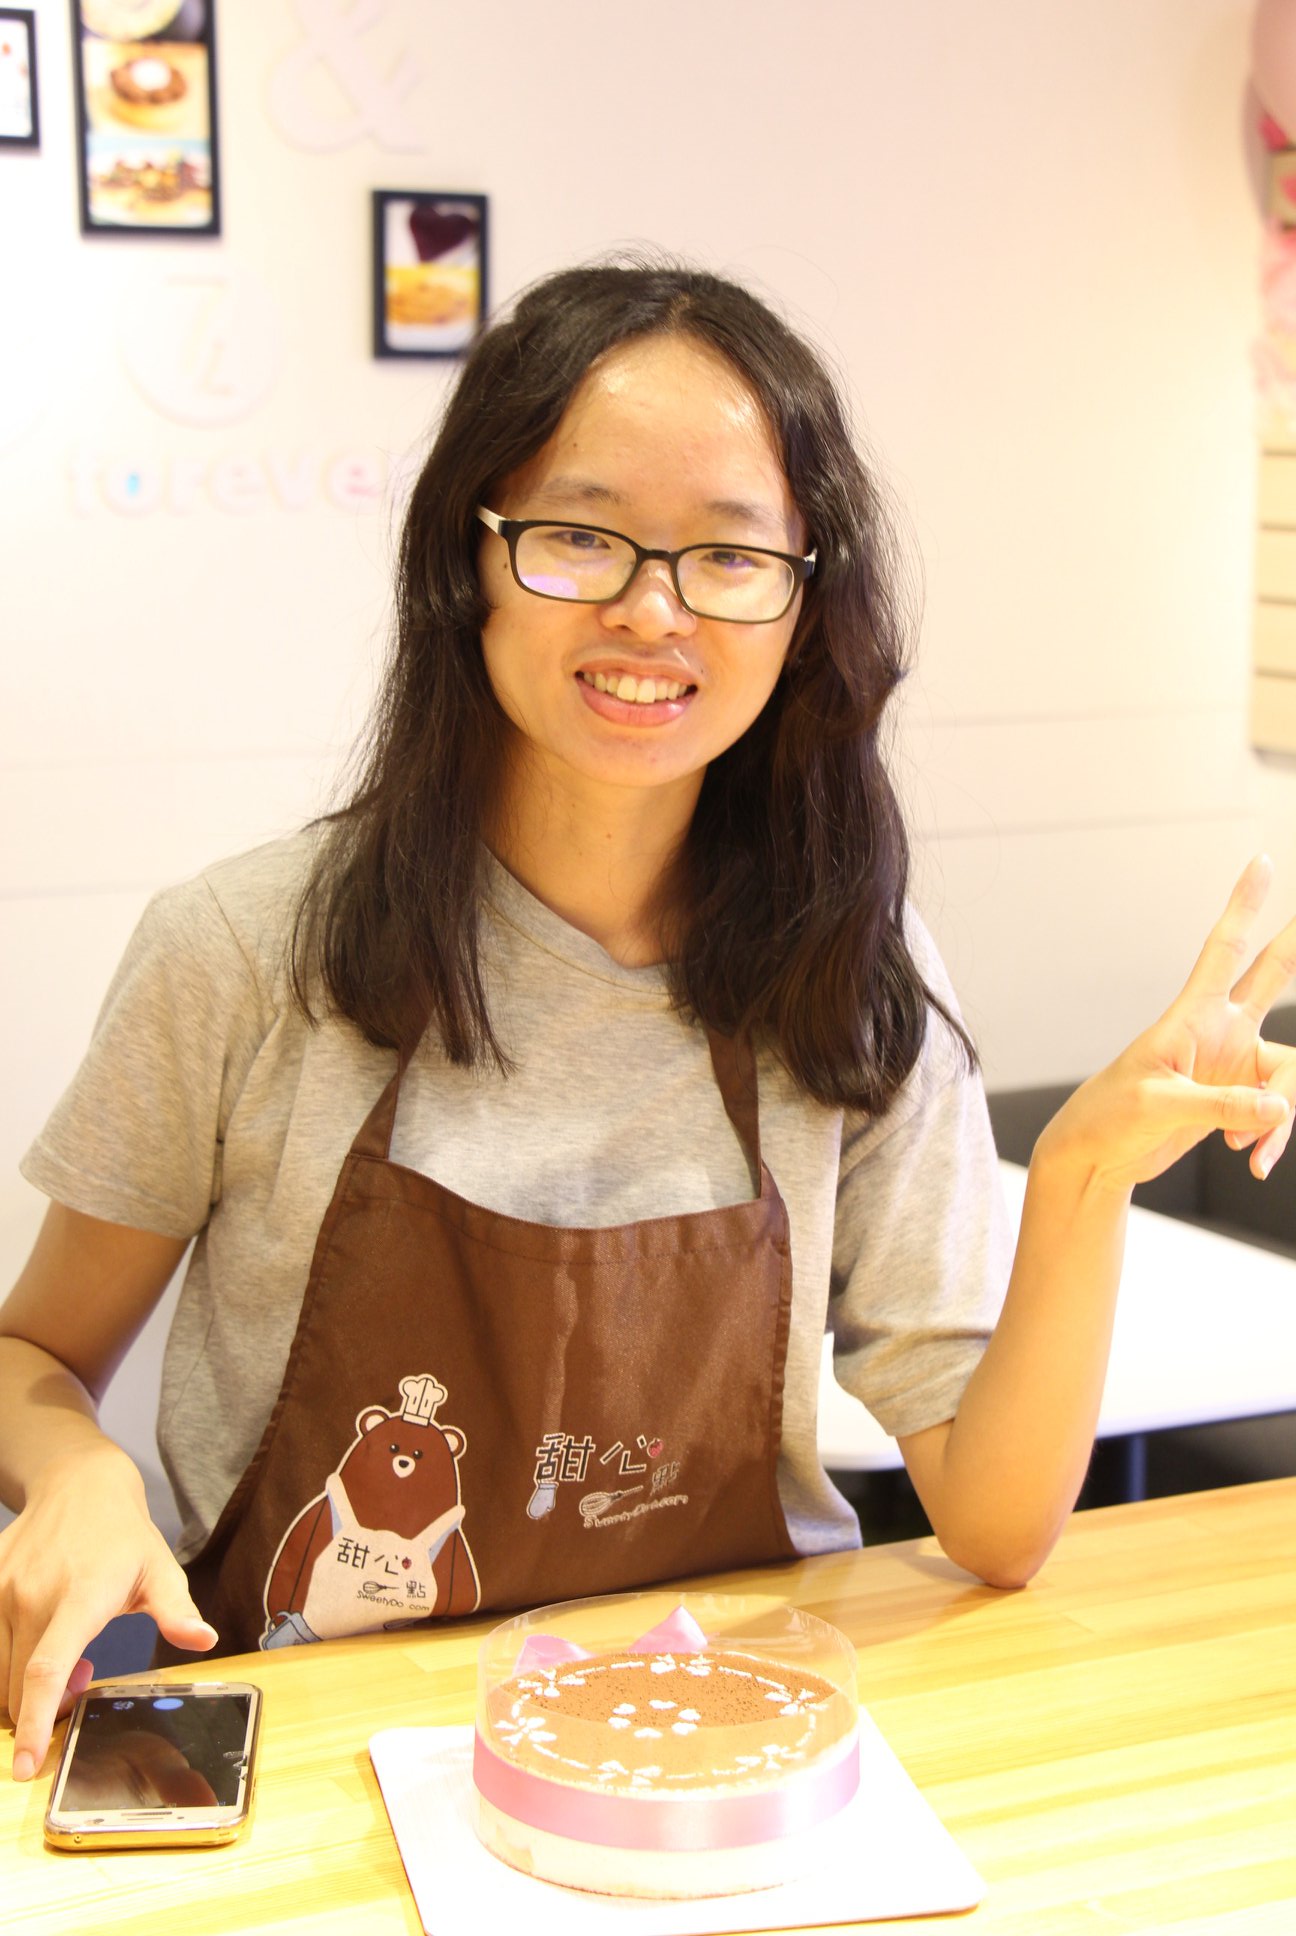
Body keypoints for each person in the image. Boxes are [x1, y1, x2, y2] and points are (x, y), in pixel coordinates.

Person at [2, 262, 1294, 1786]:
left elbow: (998, 1526)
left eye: (730, 555)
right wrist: (73, 1466)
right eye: (581, 535)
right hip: (327, 1749)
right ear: (470, 560)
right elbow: (32, 1356)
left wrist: (1079, 1179)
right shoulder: (244, 951)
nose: (652, 610)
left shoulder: (852, 971)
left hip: (737, 1752)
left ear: (804, 603)